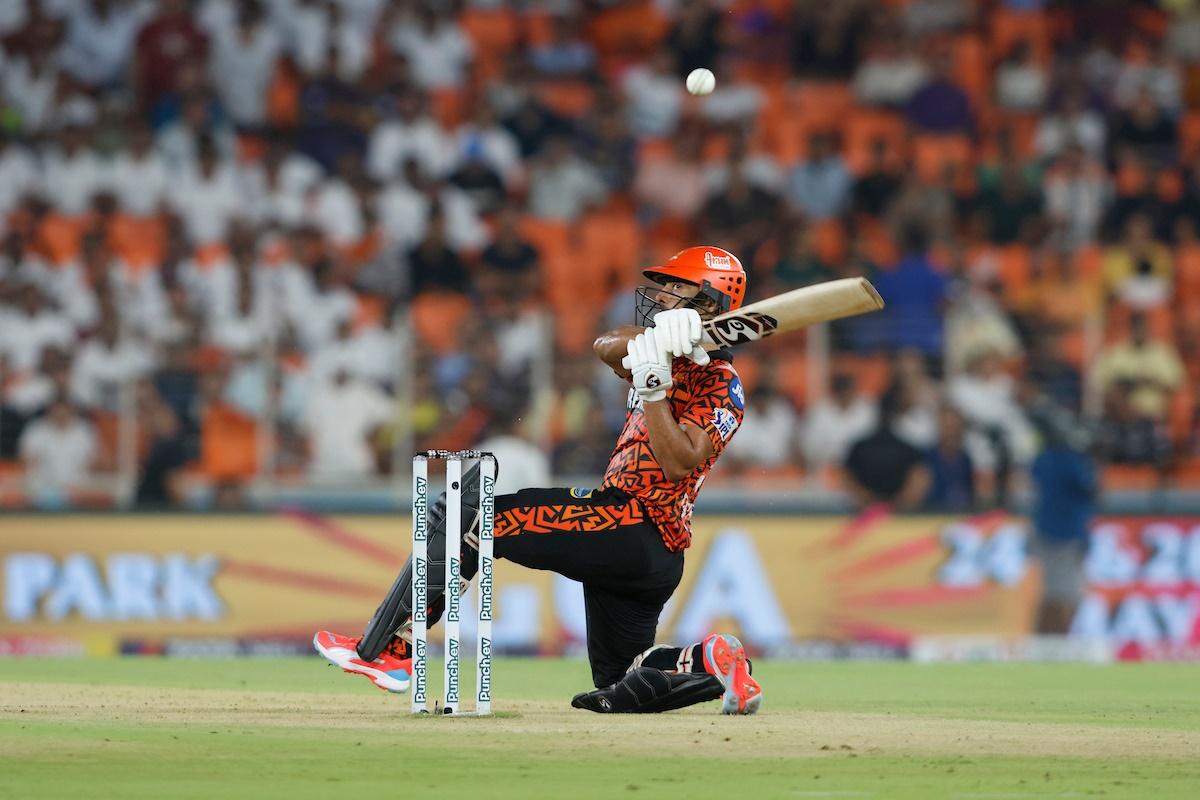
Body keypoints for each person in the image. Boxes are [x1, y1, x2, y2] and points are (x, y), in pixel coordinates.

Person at [314, 247, 762, 715]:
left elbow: (678, 462)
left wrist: (653, 389)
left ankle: (392, 649)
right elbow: (606, 345)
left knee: (477, 519)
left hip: (633, 522)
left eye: (676, 287)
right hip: (646, 551)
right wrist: (661, 346)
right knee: (624, 676)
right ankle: (714, 661)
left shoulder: (722, 386)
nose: (661, 295)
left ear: (709, 301)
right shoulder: (662, 350)